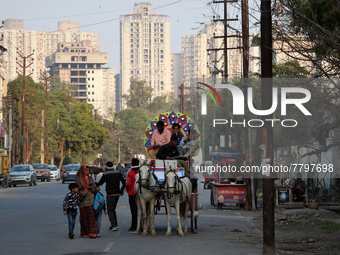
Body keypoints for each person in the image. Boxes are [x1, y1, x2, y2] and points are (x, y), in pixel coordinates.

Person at [98, 161, 126, 231]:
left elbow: (100, 183)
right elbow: (124, 183)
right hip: (117, 194)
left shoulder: (106, 174)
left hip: (110, 194)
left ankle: (114, 226)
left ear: (106, 167)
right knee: (113, 209)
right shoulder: (118, 173)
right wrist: (121, 190)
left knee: (110, 210)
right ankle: (114, 224)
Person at [75, 165, 97, 238]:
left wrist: (91, 188)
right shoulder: (79, 180)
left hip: (90, 201)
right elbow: (76, 190)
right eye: (86, 170)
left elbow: (95, 189)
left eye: (88, 170)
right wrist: (82, 193)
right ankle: (83, 232)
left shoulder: (90, 178)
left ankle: (92, 232)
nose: (87, 172)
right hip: (83, 202)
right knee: (83, 219)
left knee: (91, 218)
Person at [126, 158, 140, 233]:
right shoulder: (141, 171)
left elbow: (128, 183)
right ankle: (141, 226)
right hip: (141, 194)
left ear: (131, 164)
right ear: (138, 164)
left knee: (134, 211)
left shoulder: (130, 173)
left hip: (132, 193)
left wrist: (127, 189)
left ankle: (134, 226)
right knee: (142, 210)